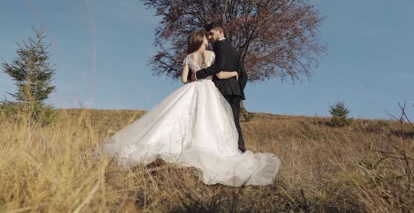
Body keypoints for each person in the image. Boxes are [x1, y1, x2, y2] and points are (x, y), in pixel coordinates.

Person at [99, 31, 280, 186]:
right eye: (205, 38)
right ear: (202, 41)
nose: (208, 40)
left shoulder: (189, 57)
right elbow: (219, 73)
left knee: (181, 118)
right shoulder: (212, 55)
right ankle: (211, 149)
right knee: (211, 121)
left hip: (193, 89)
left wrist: (195, 78)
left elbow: (184, 80)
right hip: (209, 90)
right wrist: (234, 73)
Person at [193, 22, 247, 152]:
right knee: (234, 123)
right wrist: (237, 88)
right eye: (208, 35)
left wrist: (198, 74)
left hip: (222, 89)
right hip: (235, 92)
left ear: (220, 32)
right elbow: (244, 75)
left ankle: (221, 151)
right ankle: (240, 151)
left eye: (211, 34)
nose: (210, 37)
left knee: (219, 121)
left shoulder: (218, 46)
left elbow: (219, 66)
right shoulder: (234, 50)